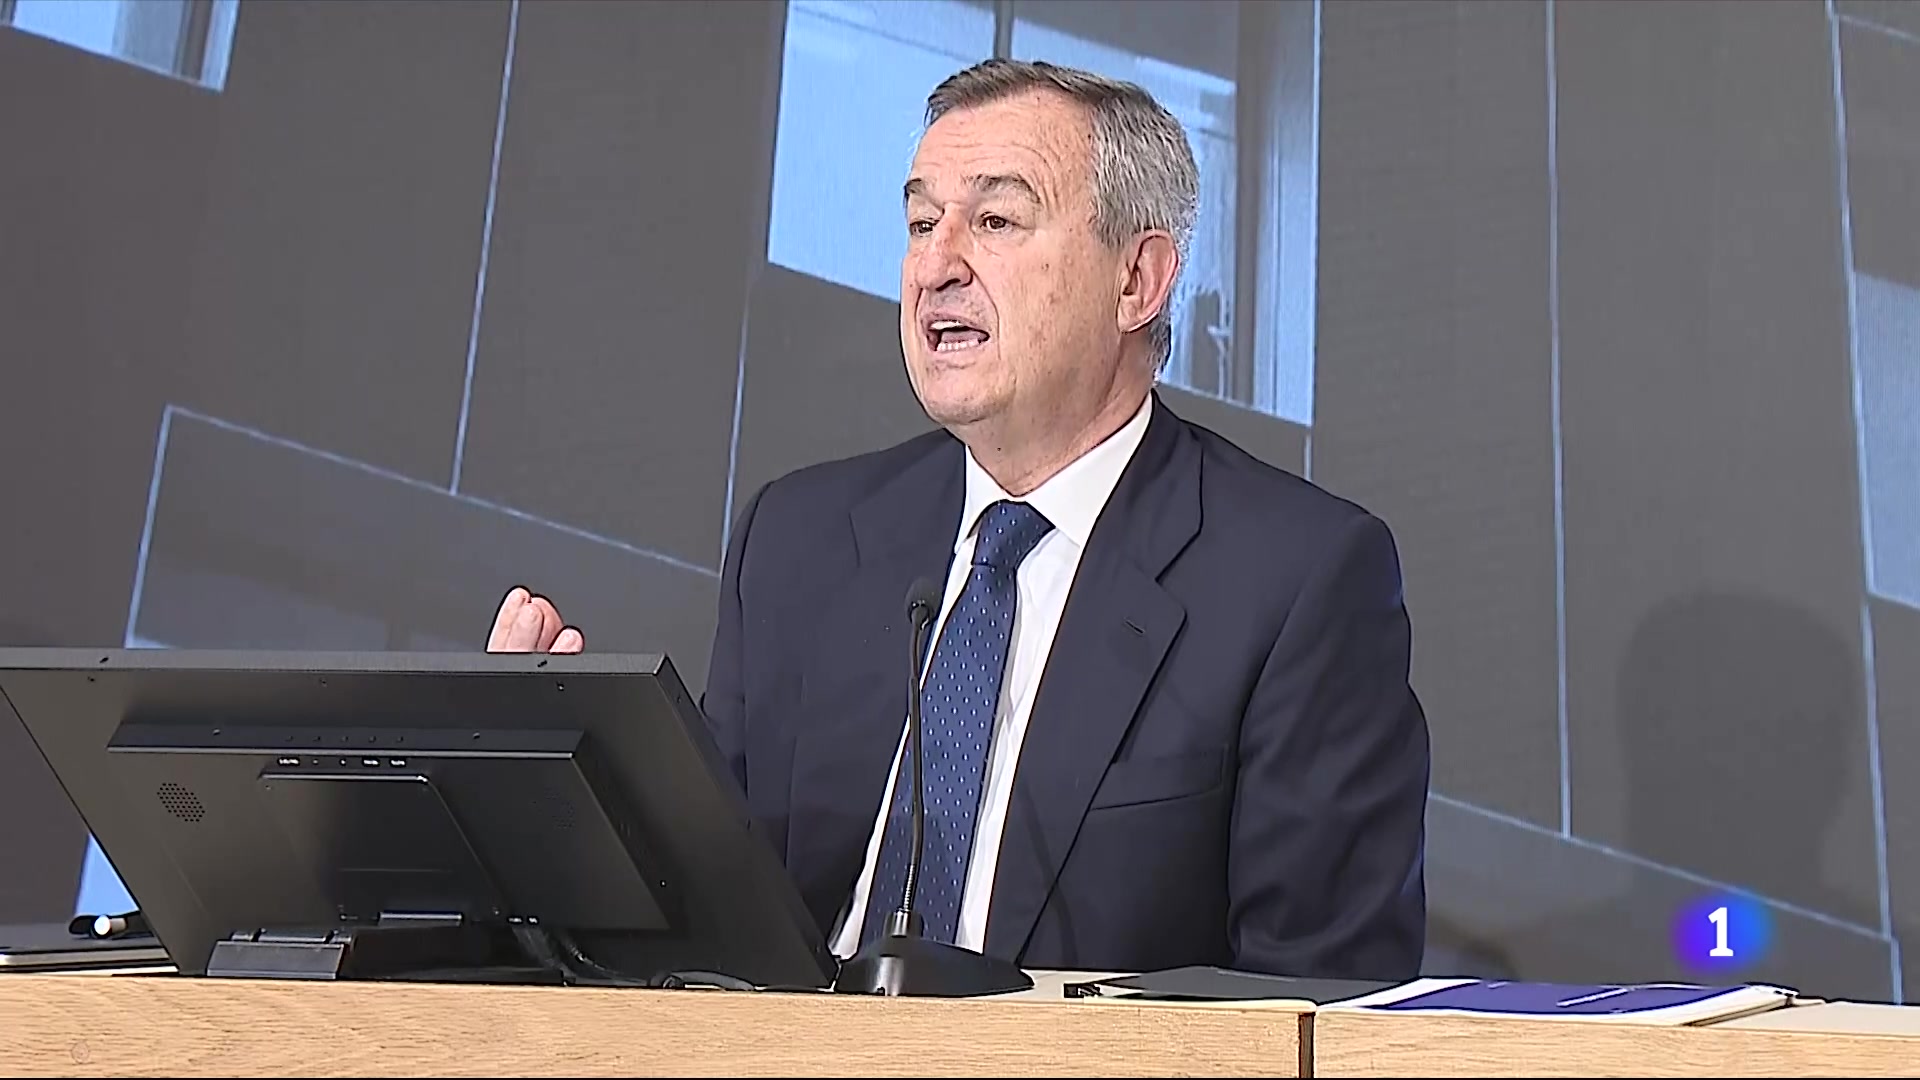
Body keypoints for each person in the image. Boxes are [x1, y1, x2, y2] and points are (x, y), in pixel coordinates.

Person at [489, 58, 1430, 981]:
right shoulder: (800, 539)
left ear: (1137, 281)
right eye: (920, 223)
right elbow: (700, 933)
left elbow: (1318, 1003)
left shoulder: (1296, 579)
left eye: (995, 220)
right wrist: (550, 807)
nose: (936, 267)